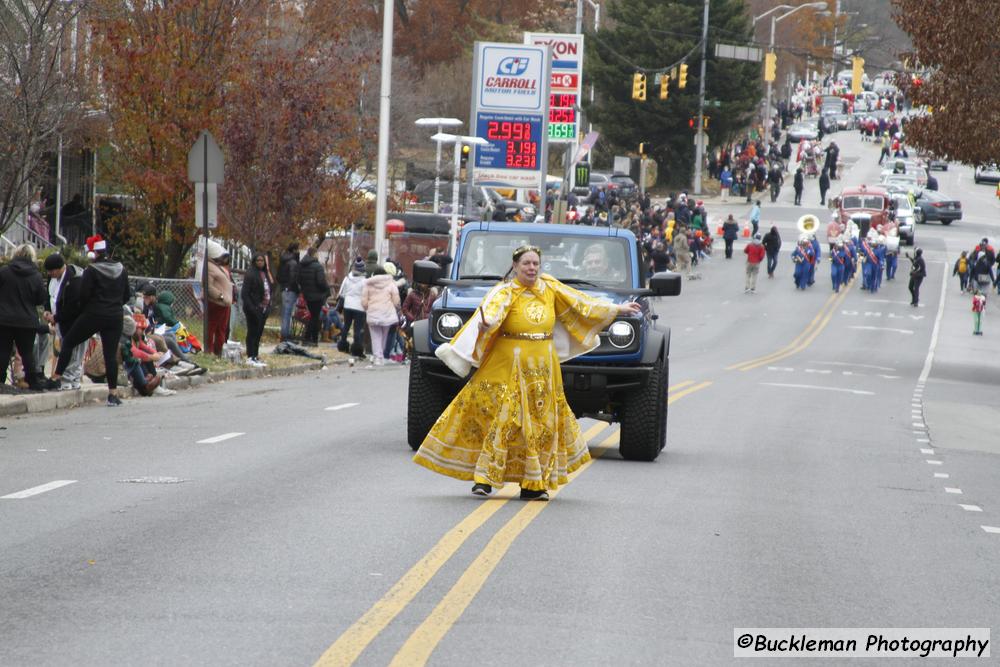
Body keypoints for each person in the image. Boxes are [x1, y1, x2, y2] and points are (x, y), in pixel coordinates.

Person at [412, 245, 641, 500]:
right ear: (516, 266)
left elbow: (581, 303)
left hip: (542, 366)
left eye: (535, 264)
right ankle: (485, 479)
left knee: (540, 424)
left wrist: (618, 310)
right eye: (526, 264)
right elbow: (493, 313)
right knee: (498, 418)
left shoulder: (550, 287)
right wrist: (486, 325)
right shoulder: (504, 291)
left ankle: (533, 484)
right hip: (505, 364)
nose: (532, 268)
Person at [51, 235, 131, 406]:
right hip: (115, 316)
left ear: (93, 254)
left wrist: (88, 309)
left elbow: (83, 295)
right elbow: (127, 296)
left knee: (69, 341)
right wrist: (114, 305)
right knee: (110, 355)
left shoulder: (91, 270)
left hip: (94, 314)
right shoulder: (121, 269)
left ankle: (57, 378)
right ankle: (113, 394)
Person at [0, 244, 49, 392]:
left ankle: (1, 381)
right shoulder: (36, 275)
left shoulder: (4, 271)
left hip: (4, 318)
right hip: (27, 320)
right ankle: (32, 381)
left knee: (3, 350)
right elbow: (40, 299)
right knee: (27, 352)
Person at [42, 253, 85, 390]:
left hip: (75, 320)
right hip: (59, 320)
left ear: (59, 268)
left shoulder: (74, 279)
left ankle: (71, 379)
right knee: (63, 349)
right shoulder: (52, 279)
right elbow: (49, 296)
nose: (49, 274)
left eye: (51, 271)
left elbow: (73, 306)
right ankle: (66, 378)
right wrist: (47, 310)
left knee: (75, 351)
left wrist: (56, 317)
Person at [360, 266, 400, 367]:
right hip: (387, 313)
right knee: (384, 336)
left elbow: (364, 301)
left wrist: (367, 308)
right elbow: (396, 300)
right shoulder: (391, 284)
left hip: (373, 313)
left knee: (375, 337)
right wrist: (396, 307)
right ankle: (380, 356)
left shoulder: (368, 284)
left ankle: (377, 357)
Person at [241, 251, 273, 367]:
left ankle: (256, 354)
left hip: (264, 308)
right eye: (258, 260)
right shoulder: (250, 274)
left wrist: (268, 306)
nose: (260, 263)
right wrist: (252, 308)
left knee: (259, 333)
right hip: (254, 308)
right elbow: (245, 293)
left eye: (262, 261)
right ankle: (250, 355)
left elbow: (269, 289)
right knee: (252, 332)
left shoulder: (264, 273)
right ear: (254, 262)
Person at [205, 240, 234, 355]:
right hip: (217, 303)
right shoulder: (209, 267)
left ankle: (219, 352)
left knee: (222, 329)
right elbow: (208, 286)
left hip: (225, 303)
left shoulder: (218, 267)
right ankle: (209, 351)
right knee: (212, 328)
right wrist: (220, 296)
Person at [297, 246, 330, 346]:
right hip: (317, 295)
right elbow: (321, 282)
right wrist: (326, 288)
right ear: (314, 254)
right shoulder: (317, 266)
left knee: (313, 317)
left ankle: (310, 338)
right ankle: (310, 339)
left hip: (307, 294)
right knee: (315, 318)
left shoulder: (302, 265)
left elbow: (299, 280)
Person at [337, 258, 367, 359]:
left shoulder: (347, 278)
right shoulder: (364, 281)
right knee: (357, 329)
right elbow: (366, 295)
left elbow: (342, 293)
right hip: (359, 307)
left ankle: (343, 344)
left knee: (346, 326)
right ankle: (357, 349)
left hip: (347, 305)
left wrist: (341, 305)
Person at [277, 242, 300, 341]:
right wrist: (296, 288)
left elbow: (278, 276)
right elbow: (293, 278)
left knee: (285, 313)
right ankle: (286, 335)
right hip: (290, 290)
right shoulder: (293, 263)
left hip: (284, 288)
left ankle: (284, 333)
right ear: (295, 250)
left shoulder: (283, 260)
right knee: (288, 313)